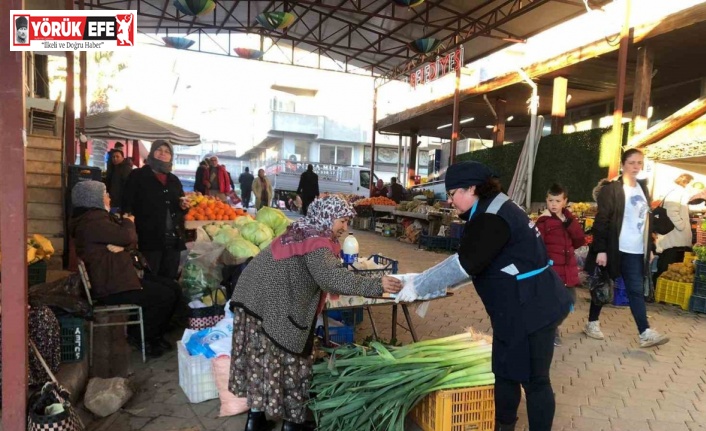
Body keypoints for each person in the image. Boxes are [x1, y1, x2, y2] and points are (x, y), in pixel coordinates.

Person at [394, 161, 571, 431]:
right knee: (504, 372)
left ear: (472, 188)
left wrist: (418, 286)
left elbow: (463, 264)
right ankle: (504, 425)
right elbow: (476, 263)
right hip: (512, 309)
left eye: (453, 193)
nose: (451, 200)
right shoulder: (493, 206)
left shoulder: (492, 217)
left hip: (534, 306)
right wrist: (424, 283)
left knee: (536, 380)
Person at [228, 195, 402, 431]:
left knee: (261, 362)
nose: (344, 228)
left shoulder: (303, 230)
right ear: (327, 217)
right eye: (342, 221)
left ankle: (255, 420)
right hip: (271, 306)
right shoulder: (317, 242)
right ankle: (292, 425)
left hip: (253, 302)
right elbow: (332, 278)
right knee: (293, 361)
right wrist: (376, 285)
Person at [69, 180, 177, 358]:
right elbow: (128, 236)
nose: (109, 197)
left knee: (170, 286)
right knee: (164, 296)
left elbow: (129, 242)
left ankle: (151, 334)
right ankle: (144, 338)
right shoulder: (93, 221)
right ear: (94, 198)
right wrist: (128, 221)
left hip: (115, 277)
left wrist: (124, 245)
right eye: (105, 194)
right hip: (111, 285)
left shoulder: (94, 219)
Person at [584, 148, 669, 348]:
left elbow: (646, 221)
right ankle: (592, 322)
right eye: (631, 162)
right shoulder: (612, 189)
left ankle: (645, 332)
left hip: (635, 250)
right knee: (603, 284)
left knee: (635, 291)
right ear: (623, 165)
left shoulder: (643, 188)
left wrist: (649, 247)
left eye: (639, 163)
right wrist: (601, 249)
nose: (636, 167)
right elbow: (602, 221)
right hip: (614, 248)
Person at [123, 140, 190, 280]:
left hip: (173, 240)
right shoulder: (138, 176)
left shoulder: (174, 180)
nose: (163, 154)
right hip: (149, 239)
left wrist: (183, 207)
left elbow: (180, 204)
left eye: (167, 152)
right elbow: (127, 204)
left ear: (171, 156)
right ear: (152, 152)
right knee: (150, 279)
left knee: (170, 279)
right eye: (159, 150)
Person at [536, 183, 585, 347]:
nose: (554, 204)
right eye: (551, 200)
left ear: (565, 201)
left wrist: (568, 224)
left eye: (557, 201)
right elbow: (537, 246)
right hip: (552, 271)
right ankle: (552, 331)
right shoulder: (542, 222)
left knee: (570, 300)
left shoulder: (570, 219)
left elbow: (579, 240)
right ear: (546, 201)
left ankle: (551, 326)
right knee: (552, 303)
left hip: (568, 270)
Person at [654, 173, 694, 282]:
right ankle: (655, 289)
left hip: (674, 238)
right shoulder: (678, 192)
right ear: (686, 182)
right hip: (674, 237)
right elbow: (672, 211)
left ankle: (656, 290)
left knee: (670, 268)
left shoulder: (677, 192)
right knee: (667, 267)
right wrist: (681, 226)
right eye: (692, 184)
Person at [104, 148, 133, 213]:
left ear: (122, 158)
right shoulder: (113, 168)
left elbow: (127, 186)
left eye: (117, 156)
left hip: (120, 203)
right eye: (113, 157)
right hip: (113, 201)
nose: (115, 158)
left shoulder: (126, 169)